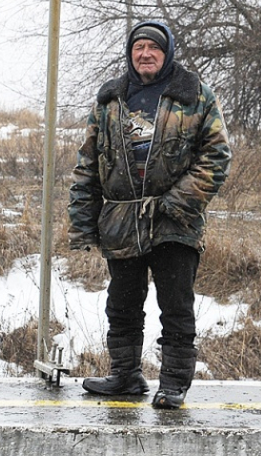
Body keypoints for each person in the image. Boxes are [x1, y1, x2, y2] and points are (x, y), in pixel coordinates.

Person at [68, 20, 232, 409]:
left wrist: (176, 204)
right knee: (122, 304)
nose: (145, 54)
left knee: (176, 306)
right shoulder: (110, 100)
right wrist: (83, 222)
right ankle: (125, 375)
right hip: (121, 223)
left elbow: (216, 156)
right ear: (130, 54)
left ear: (167, 52)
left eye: (153, 48)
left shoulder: (195, 96)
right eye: (138, 47)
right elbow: (88, 164)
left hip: (175, 221)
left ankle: (174, 383)